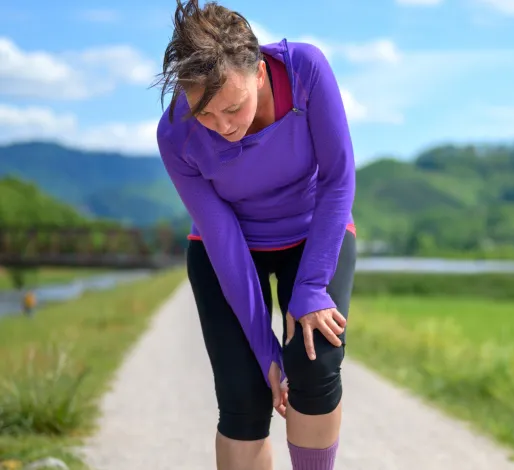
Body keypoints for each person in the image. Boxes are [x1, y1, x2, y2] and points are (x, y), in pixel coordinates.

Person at [153, 1, 356, 469]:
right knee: (244, 395)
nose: (224, 129)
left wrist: (310, 288)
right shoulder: (174, 136)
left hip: (313, 234)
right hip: (226, 248)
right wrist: (264, 349)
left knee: (314, 362)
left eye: (233, 107)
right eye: (205, 116)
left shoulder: (305, 70)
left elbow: (338, 178)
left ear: (260, 72)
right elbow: (221, 237)